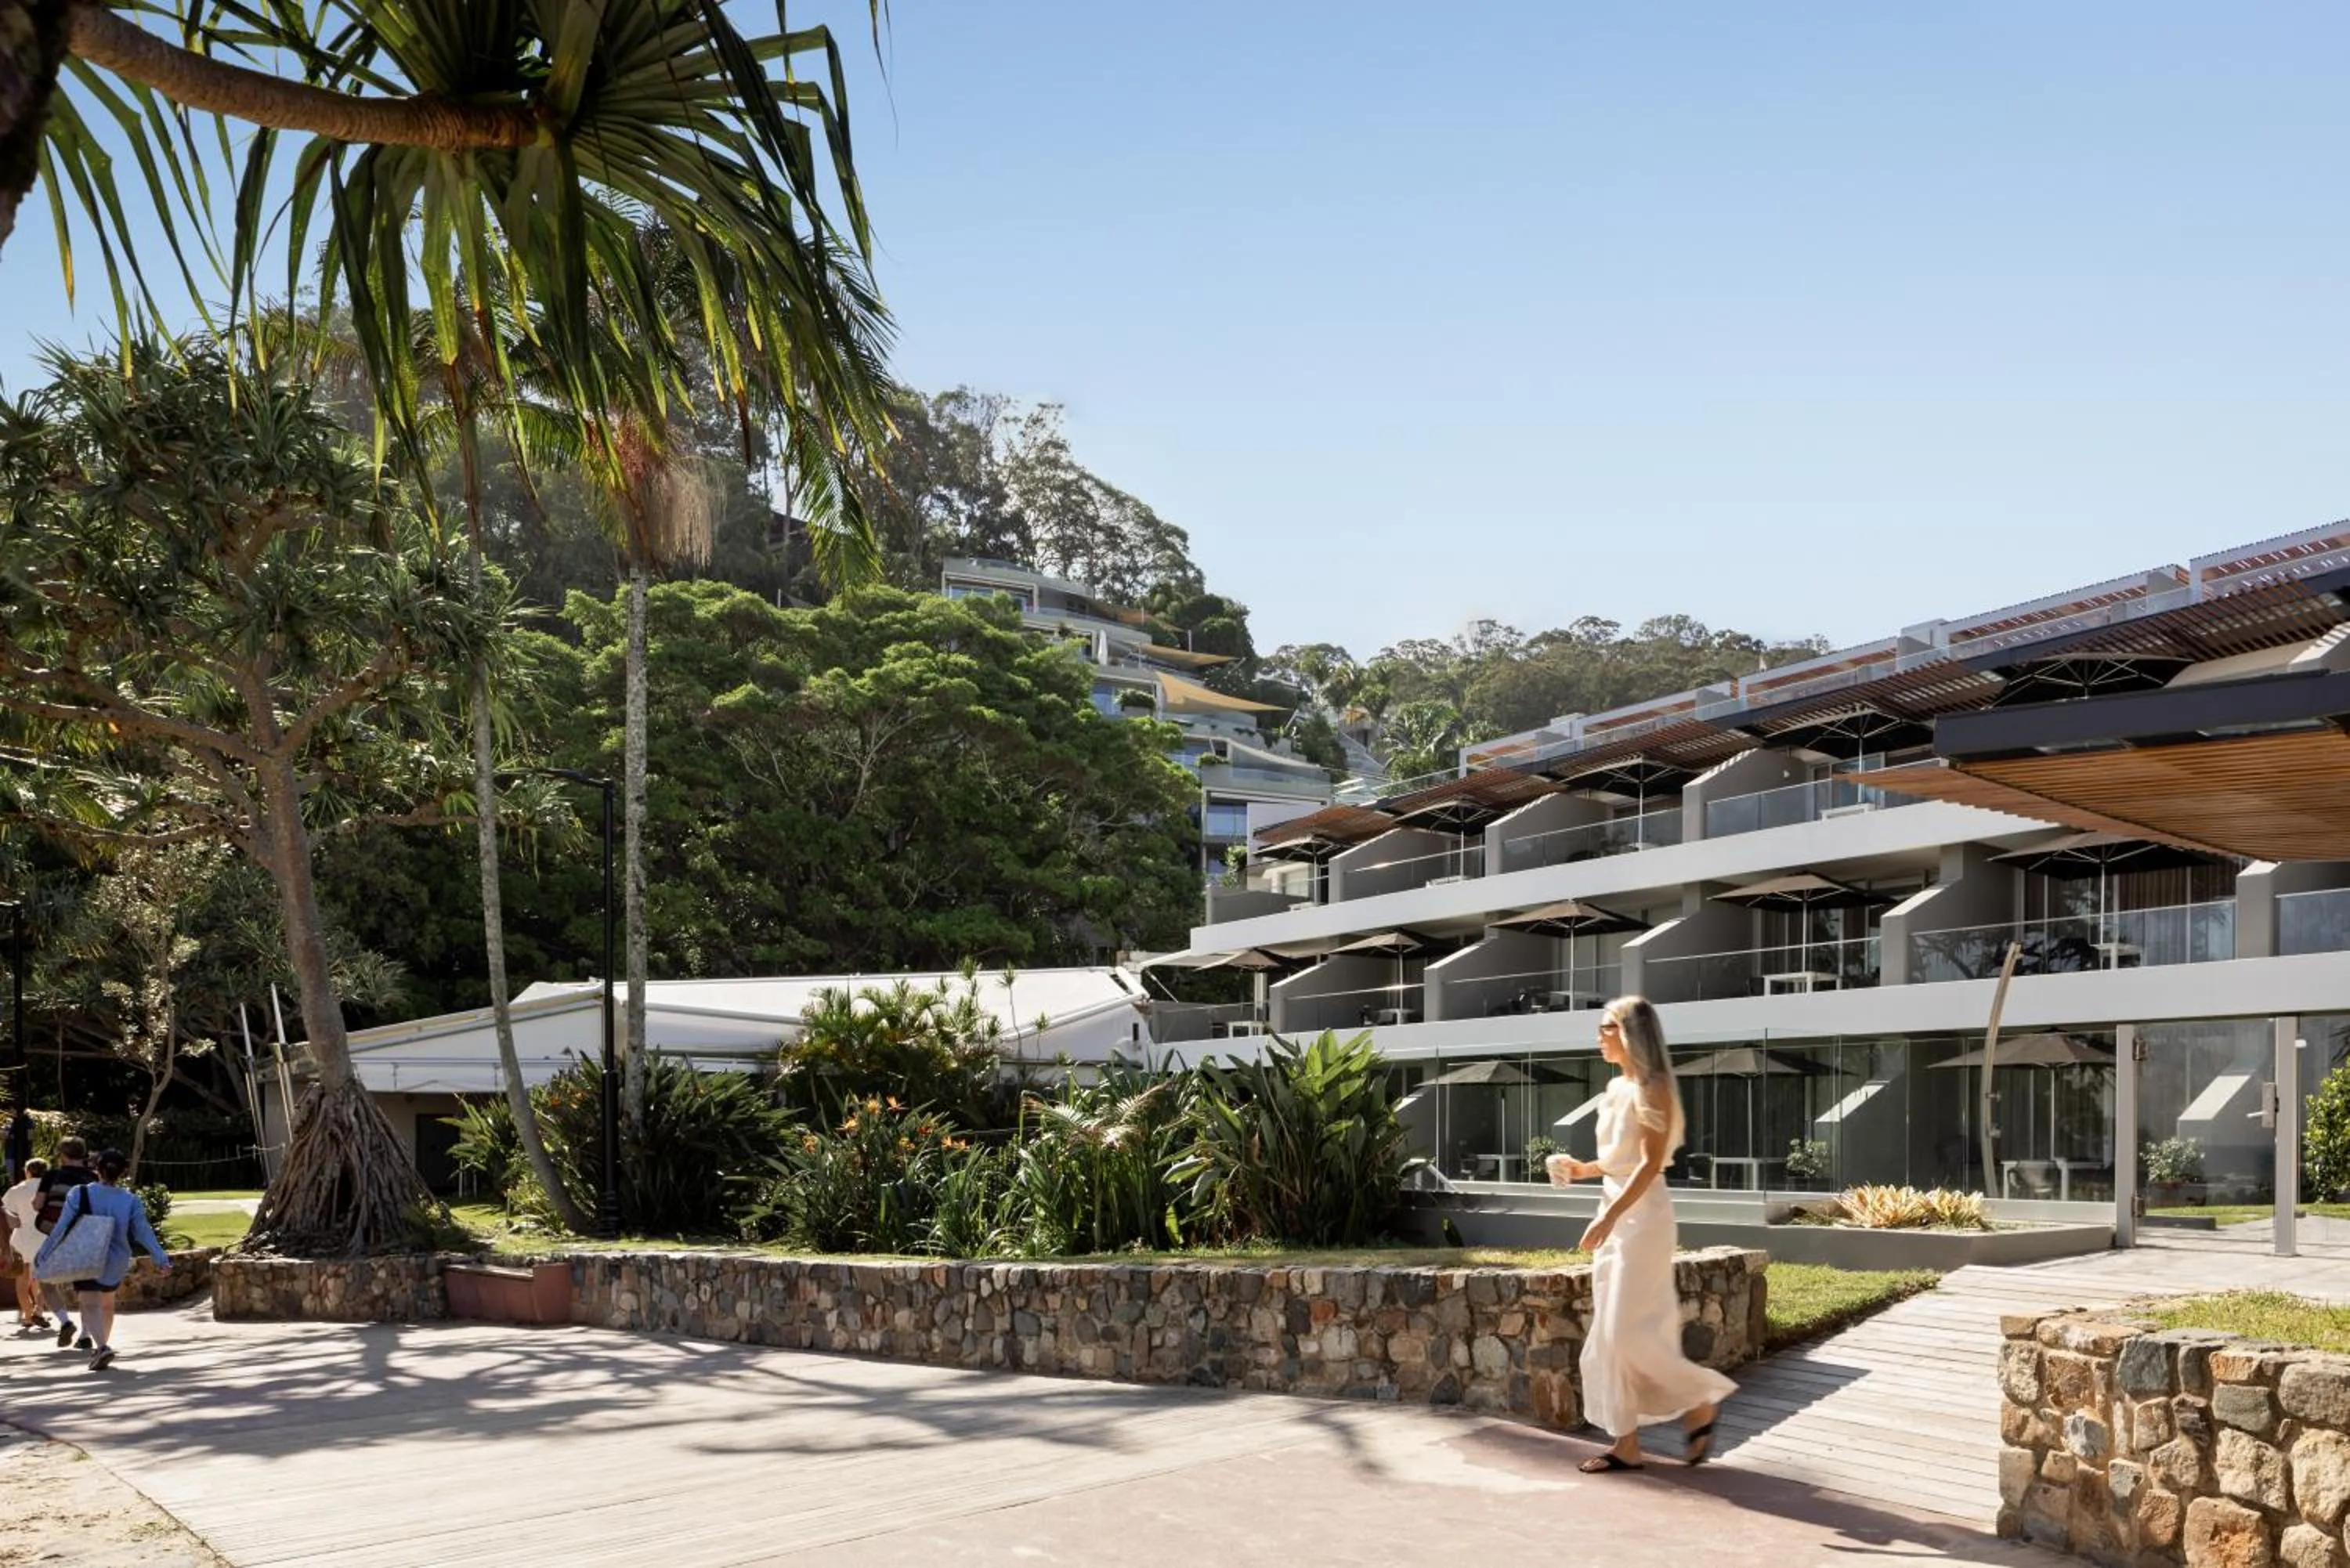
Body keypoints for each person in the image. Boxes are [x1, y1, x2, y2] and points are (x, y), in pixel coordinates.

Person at [1546, 995, 1734, 1473]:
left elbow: (1650, 1166)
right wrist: (1579, 1169)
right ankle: (1625, 1445)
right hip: (1614, 1208)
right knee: (1609, 1334)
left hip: (1643, 1219)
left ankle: (1701, 1397)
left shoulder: (1656, 1088)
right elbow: (1616, 1163)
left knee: (1628, 1331)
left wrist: (1609, 1219)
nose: (1598, 1036)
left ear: (1629, 1033)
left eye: (1605, 1027)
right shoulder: (1614, 1089)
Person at [36, 1148, 170, 1372]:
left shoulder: (79, 1194)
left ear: (96, 1169)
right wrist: (161, 1258)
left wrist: (45, 1251)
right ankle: (101, 1348)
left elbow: (62, 1226)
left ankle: (102, 1347)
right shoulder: (130, 1200)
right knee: (107, 1304)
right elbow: (143, 1232)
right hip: (117, 1258)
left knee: (89, 1303)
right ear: (123, 1172)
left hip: (87, 1255)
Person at [32, 1137, 98, 1350]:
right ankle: (86, 1335)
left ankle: (65, 1322)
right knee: (86, 1287)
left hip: (57, 1235)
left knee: (45, 1279)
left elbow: (38, 1204)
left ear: (62, 1154)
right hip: (84, 1235)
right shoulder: (94, 1177)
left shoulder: (52, 1175)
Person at [4, 1156, 52, 1331]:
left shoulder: (16, 1190)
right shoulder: (51, 1189)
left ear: (28, 1171)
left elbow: (6, 1213)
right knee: (42, 1279)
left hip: (21, 1240)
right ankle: (39, 1310)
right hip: (45, 1239)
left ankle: (27, 1315)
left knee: (22, 1281)